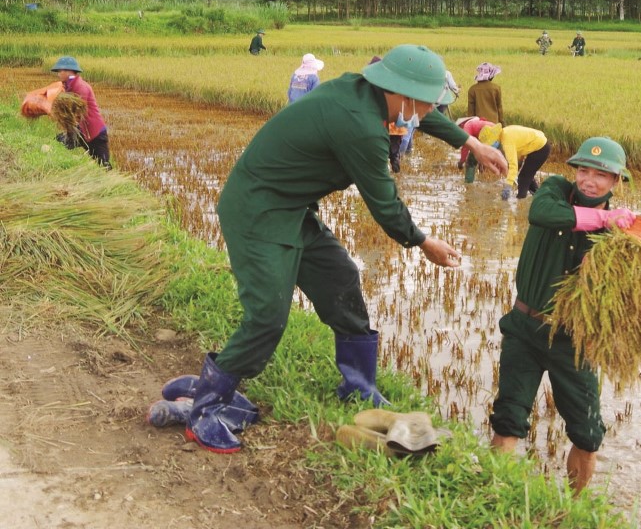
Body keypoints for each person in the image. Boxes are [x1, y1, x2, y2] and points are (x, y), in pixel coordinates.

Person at [154, 45, 507, 454]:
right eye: (428, 103)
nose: (429, 112)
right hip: (258, 209)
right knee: (268, 315)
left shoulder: (364, 91)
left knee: (340, 277)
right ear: (403, 93)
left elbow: (426, 121)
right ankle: (205, 408)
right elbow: (385, 205)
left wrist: (472, 143)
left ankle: (358, 387)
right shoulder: (359, 125)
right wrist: (423, 242)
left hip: (292, 208)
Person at [489, 136, 635, 494]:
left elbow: (619, 295)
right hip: (524, 328)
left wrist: (602, 268)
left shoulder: (618, 236)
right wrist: (601, 218)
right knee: (508, 420)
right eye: (584, 170)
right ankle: (493, 497)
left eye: (600, 175)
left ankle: (574, 507)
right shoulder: (554, 190)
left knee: (587, 434)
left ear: (616, 181)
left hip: (572, 341)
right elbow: (541, 214)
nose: (589, 179)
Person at [50, 55, 111, 168]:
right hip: (82, 130)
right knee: (58, 142)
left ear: (69, 71)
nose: (58, 74)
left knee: (103, 164)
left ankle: (116, 183)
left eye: (60, 71)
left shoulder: (80, 87)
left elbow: (77, 111)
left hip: (95, 132)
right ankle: (61, 167)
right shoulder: (68, 86)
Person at [478, 122, 551, 200]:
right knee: (527, 176)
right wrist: (516, 167)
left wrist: (508, 186)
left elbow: (513, 165)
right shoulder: (505, 132)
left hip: (540, 148)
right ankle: (539, 198)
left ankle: (520, 202)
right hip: (538, 145)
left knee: (523, 178)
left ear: (493, 140)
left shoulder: (507, 141)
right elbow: (519, 148)